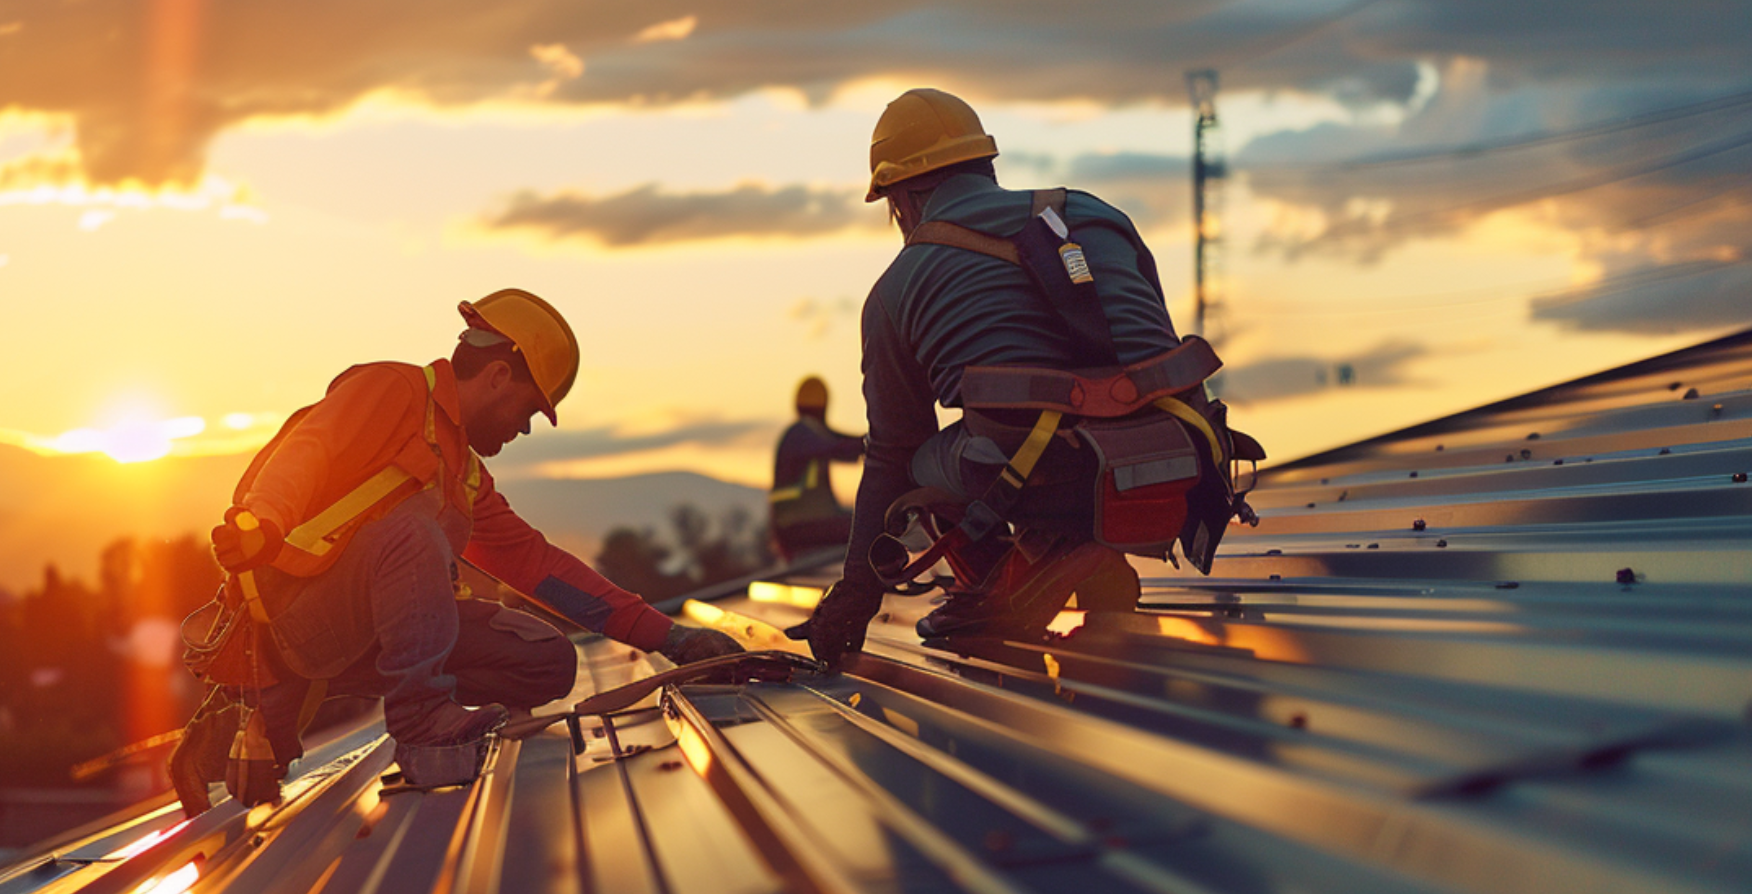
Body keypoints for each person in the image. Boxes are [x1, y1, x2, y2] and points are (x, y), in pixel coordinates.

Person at [171, 289, 742, 809]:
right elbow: (307, 451)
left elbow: (539, 567)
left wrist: (670, 637)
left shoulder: (462, 473)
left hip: (361, 634)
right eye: (526, 409)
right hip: (294, 615)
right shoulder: (391, 390)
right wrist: (263, 520)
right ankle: (420, 721)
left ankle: (247, 725)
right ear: (497, 376)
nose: (523, 430)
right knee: (413, 530)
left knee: (548, 659)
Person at [789, 89, 1258, 666]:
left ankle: (1000, 581)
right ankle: (1075, 551)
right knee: (1064, 424)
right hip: (1180, 461)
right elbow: (1150, 349)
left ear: (903, 198)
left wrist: (857, 593)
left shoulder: (894, 290)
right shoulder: (1099, 215)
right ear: (986, 164)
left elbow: (891, 451)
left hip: (1048, 478)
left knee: (915, 463)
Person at [767, 375, 863, 559]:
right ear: (825, 407)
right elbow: (838, 446)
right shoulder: (802, 433)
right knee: (870, 525)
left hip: (795, 526)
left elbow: (841, 440)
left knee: (862, 521)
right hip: (802, 526)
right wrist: (871, 443)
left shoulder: (806, 432)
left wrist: (870, 441)